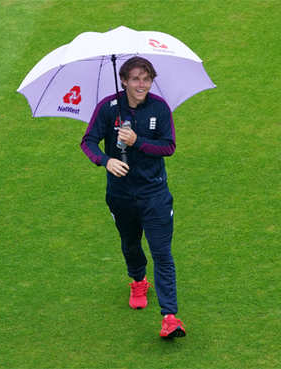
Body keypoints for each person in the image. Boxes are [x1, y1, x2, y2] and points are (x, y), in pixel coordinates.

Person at [80, 56, 185, 338]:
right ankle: (138, 280)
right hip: (121, 194)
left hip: (155, 194)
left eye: (147, 78)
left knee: (162, 253)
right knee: (130, 243)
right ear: (123, 80)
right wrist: (106, 161)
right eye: (136, 78)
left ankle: (170, 316)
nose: (142, 84)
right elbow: (87, 141)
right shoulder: (108, 108)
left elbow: (169, 147)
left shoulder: (159, 108)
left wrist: (136, 141)